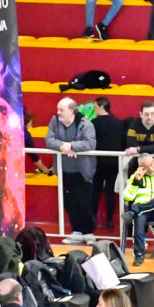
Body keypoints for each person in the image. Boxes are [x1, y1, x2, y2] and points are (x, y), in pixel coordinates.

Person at [45, 97, 97, 245]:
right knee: (69, 202)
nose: (58, 112)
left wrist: (72, 146)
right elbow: (49, 140)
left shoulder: (86, 124)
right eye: (58, 109)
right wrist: (63, 147)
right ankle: (76, 230)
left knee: (84, 201)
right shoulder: (54, 121)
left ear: (72, 111)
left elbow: (90, 143)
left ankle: (88, 232)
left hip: (83, 171)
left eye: (61, 110)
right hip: (64, 170)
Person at [91, 97, 124, 228]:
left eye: (95, 106)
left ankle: (92, 219)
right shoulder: (118, 123)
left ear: (101, 107)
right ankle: (109, 222)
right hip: (113, 162)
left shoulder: (93, 123)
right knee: (110, 192)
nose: (94, 109)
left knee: (95, 190)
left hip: (98, 161)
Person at [124, 101, 154, 168]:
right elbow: (131, 144)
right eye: (146, 114)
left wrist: (138, 149)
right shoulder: (134, 124)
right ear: (141, 114)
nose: (149, 117)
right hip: (139, 165)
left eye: (152, 114)